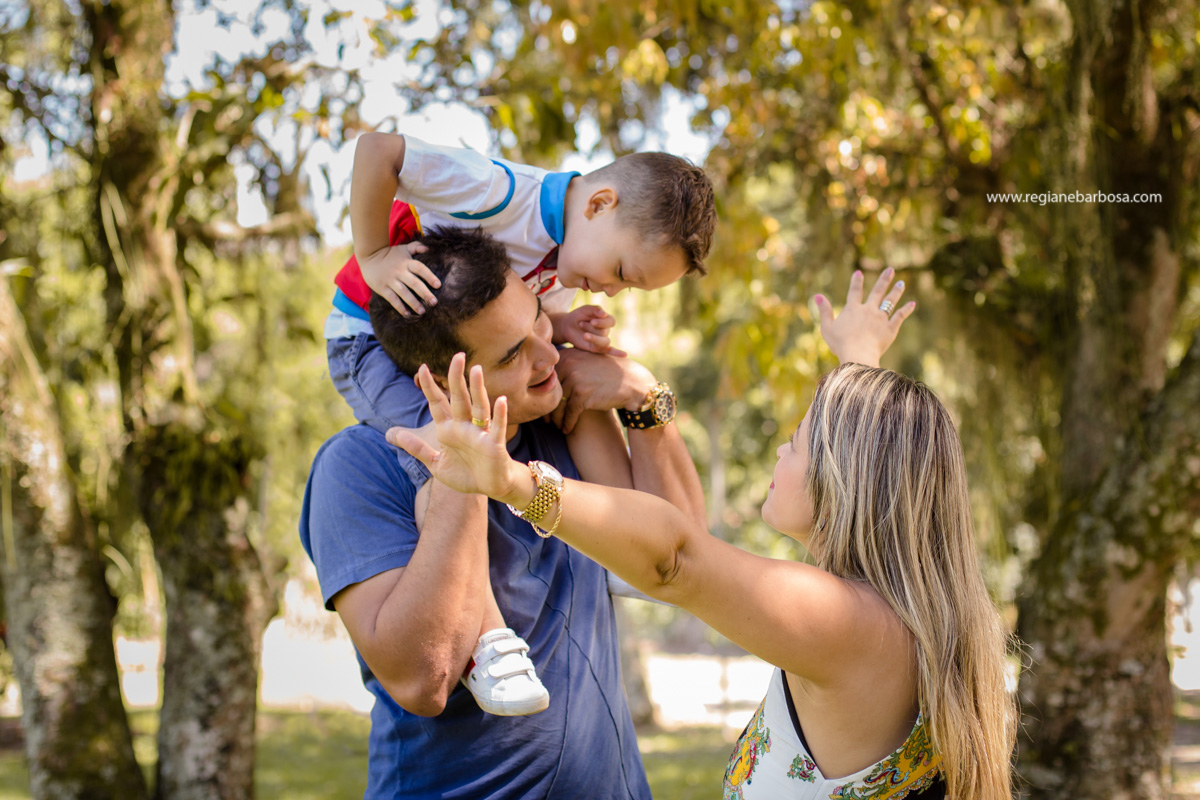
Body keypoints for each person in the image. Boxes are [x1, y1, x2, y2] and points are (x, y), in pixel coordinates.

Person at [390, 270, 1019, 800]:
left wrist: (512, 483)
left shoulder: (850, 626)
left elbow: (675, 559)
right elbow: (881, 453)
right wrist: (859, 354)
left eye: (797, 442)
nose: (780, 448)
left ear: (845, 479)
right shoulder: (909, 618)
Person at [300, 225, 703, 798]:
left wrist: (644, 400)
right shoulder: (359, 468)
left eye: (539, 319)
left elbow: (684, 565)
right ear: (441, 383)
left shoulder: (561, 420)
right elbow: (423, 681)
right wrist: (459, 472)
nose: (549, 356)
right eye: (514, 354)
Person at [324, 132, 716, 712]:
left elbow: (687, 553)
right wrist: (375, 255)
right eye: (620, 272)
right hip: (364, 341)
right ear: (599, 203)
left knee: (480, 437)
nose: (611, 291)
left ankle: (606, 554)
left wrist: (639, 391)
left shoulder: (558, 263)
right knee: (447, 452)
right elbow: (378, 150)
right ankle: (487, 641)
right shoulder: (497, 191)